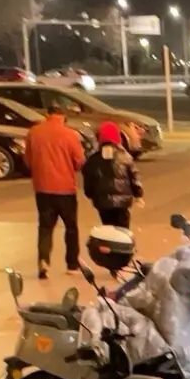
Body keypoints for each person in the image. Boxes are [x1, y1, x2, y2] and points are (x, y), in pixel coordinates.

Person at [24, 100, 85, 279]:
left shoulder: (34, 132)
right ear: (62, 116)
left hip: (42, 189)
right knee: (71, 227)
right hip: (65, 189)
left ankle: (44, 261)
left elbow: (28, 160)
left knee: (45, 227)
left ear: (47, 115)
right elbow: (79, 160)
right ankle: (72, 264)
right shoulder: (70, 135)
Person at [82, 122, 144, 228]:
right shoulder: (125, 156)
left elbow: (88, 181)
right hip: (122, 203)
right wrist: (138, 194)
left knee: (107, 227)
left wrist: (91, 194)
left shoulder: (93, 159)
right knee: (123, 229)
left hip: (102, 202)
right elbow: (134, 178)